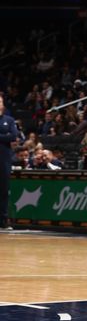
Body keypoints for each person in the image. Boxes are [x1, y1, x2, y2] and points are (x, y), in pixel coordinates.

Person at [0, 96, 18, 229]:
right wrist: (3, 137)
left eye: (0, 101)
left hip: (4, 159)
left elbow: (13, 136)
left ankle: (4, 219)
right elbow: (7, 137)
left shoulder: (9, 120)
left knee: (4, 190)